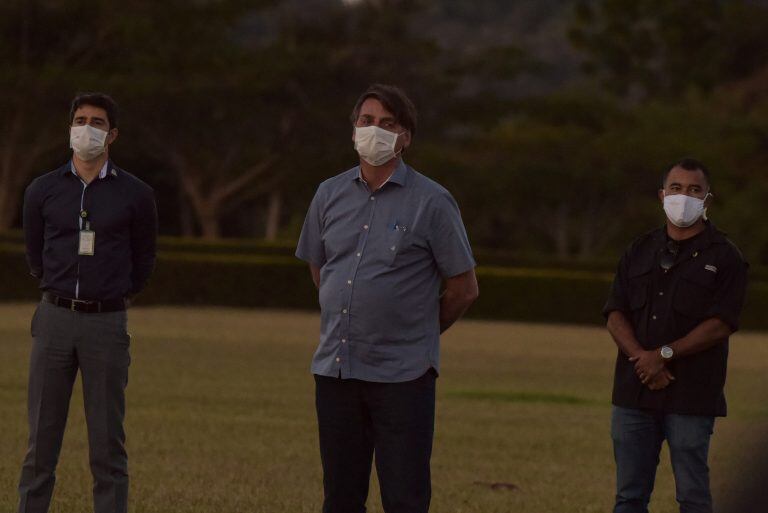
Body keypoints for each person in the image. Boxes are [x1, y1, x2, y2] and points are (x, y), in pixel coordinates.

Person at [296, 84, 479, 513]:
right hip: (337, 370)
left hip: (404, 376)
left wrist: (419, 330)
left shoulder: (432, 201)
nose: (374, 131)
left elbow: (463, 288)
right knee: (340, 497)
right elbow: (320, 267)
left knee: (405, 497)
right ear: (353, 130)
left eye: (387, 124)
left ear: (406, 137)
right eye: (366, 121)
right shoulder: (328, 194)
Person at [19, 92, 158, 513]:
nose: (87, 128)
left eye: (97, 122)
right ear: (69, 128)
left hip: (106, 324)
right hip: (54, 320)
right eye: (80, 120)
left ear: (112, 133)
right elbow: (34, 254)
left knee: (107, 447)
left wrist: (113, 292)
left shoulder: (136, 194)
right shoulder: (42, 191)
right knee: (40, 445)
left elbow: (144, 260)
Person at [603, 158, 748, 513]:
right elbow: (615, 312)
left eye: (694, 190)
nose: (684, 197)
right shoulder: (639, 250)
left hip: (693, 394)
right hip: (634, 392)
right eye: (677, 188)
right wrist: (642, 358)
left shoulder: (726, 257)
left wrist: (663, 355)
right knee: (629, 497)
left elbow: (721, 323)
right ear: (661, 195)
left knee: (693, 497)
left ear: (707, 200)